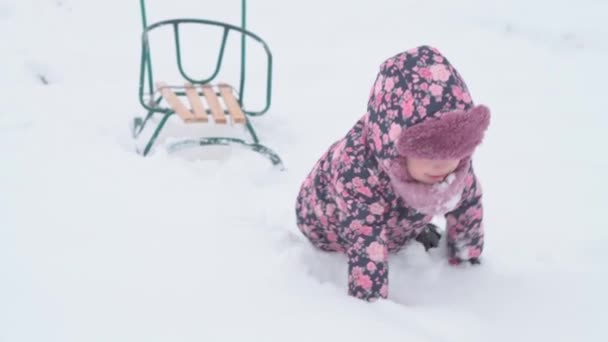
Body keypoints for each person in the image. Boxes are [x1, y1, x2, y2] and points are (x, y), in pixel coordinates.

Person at [294, 45, 491, 301]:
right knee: (370, 227)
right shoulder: (357, 170)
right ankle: (399, 234)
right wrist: (373, 305)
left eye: (453, 152)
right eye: (428, 153)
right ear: (395, 144)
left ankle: (405, 231)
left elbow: (468, 202)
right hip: (330, 227)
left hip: (395, 219)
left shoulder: (453, 161)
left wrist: (467, 258)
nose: (442, 166)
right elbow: (365, 237)